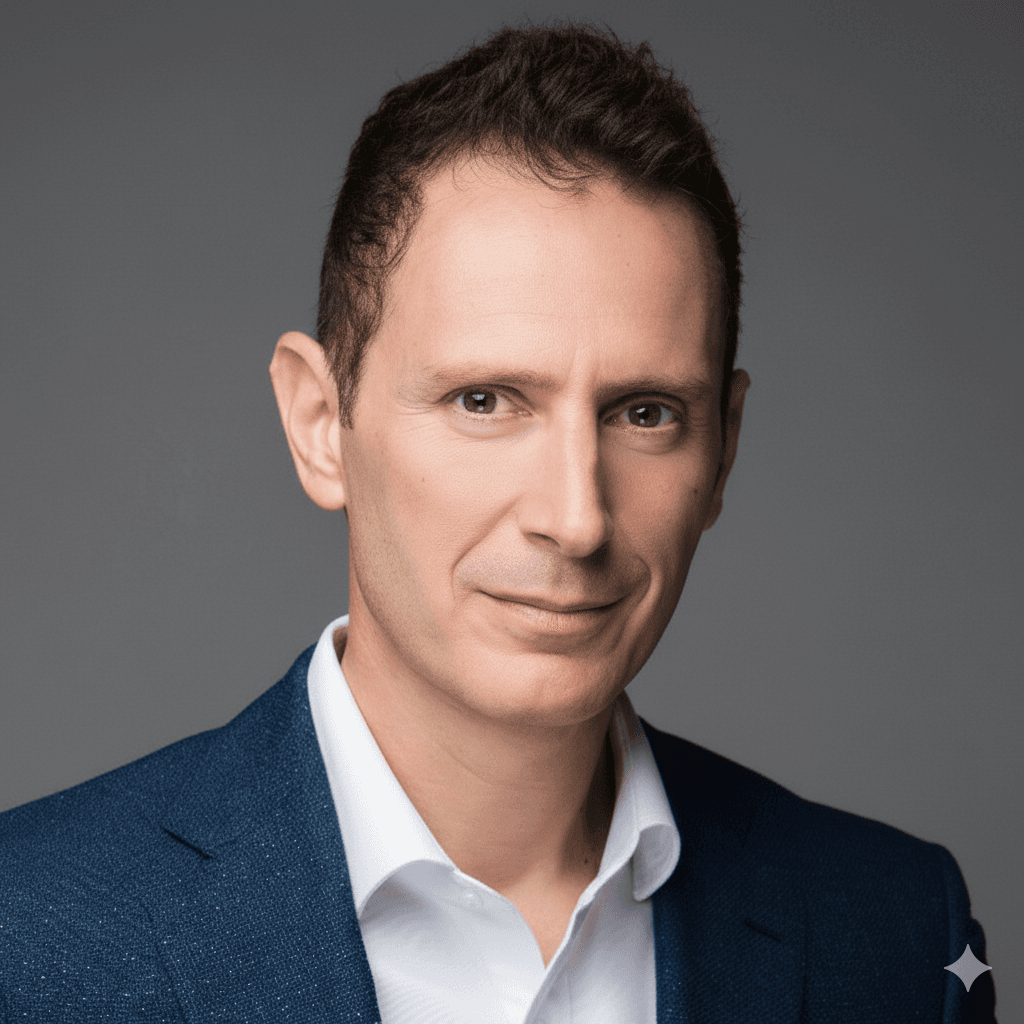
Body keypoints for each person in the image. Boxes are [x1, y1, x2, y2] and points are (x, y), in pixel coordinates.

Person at [0, 22, 996, 1023]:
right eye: (484, 401)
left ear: (723, 448)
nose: (575, 518)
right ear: (319, 424)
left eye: (644, 413)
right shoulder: (28, 933)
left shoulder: (899, 938)